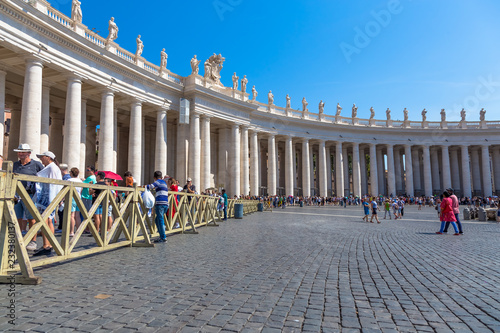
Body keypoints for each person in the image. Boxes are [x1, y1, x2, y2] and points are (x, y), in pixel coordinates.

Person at [12, 144, 44, 251]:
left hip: (30, 195)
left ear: (29, 153)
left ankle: (32, 241)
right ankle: (19, 238)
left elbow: (44, 178)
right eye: (19, 152)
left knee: (31, 218)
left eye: (23, 152)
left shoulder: (36, 164)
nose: (20, 154)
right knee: (17, 217)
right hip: (16, 195)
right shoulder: (15, 165)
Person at [33, 151, 63, 256]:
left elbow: (40, 177)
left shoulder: (51, 167)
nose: (41, 159)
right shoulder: (54, 167)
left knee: (45, 220)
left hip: (48, 198)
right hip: (51, 198)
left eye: (42, 157)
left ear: (48, 157)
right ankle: (48, 244)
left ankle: (46, 245)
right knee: (49, 220)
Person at [146, 171, 169, 243]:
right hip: (165, 204)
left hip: (160, 203)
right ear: (162, 177)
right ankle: (161, 235)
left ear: (154, 178)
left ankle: (163, 237)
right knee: (157, 220)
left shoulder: (158, 182)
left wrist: (143, 186)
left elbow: (149, 186)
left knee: (160, 220)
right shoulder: (164, 183)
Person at [56, 164, 71, 233]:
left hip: (64, 198)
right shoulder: (68, 177)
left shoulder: (66, 178)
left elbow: (65, 189)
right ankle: (61, 227)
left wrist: (62, 199)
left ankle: (62, 227)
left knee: (61, 213)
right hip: (66, 198)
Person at [68, 167, 83, 237]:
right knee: (77, 215)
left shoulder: (69, 180)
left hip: (72, 198)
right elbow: (81, 190)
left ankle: (71, 231)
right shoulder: (80, 181)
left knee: (71, 215)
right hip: (79, 198)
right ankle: (78, 231)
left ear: (71, 173)